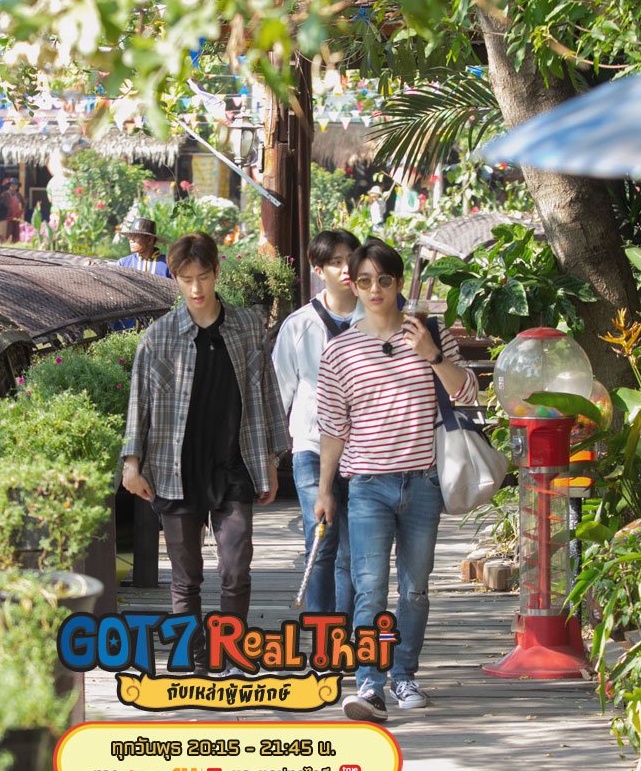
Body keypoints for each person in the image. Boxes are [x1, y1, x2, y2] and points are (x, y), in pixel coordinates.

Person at [314, 238, 478, 723]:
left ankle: (405, 674)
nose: (375, 289)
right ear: (353, 284)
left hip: (423, 482)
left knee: (415, 588)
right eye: (364, 280)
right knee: (369, 589)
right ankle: (370, 683)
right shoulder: (340, 350)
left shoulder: (429, 332)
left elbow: (468, 392)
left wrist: (432, 354)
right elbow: (332, 428)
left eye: (384, 279)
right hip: (366, 485)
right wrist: (324, 491)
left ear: (399, 281)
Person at [121, 232, 290, 673]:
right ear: (175, 278)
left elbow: (267, 393)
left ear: (216, 272)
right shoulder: (159, 337)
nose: (196, 288)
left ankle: (230, 652)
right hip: (175, 467)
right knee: (185, 576)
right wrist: (131, 463)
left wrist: (271, 459)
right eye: (186, 279)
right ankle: (194, 659)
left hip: (234, 464)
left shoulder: (247, 326)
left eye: (203, 276)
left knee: (236, 567)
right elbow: (140, 403)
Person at [271, 229, 359, 617]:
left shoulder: (375, 319)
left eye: (350, 259)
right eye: (336, 262)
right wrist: (272, 455)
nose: (346, 268)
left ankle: (351, 634)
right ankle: (325, 633)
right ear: (318, 270)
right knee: (321, 541)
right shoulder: (299, 325)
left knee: (356, 550)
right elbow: (279, 391)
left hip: (364, 448)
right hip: (310, 445)